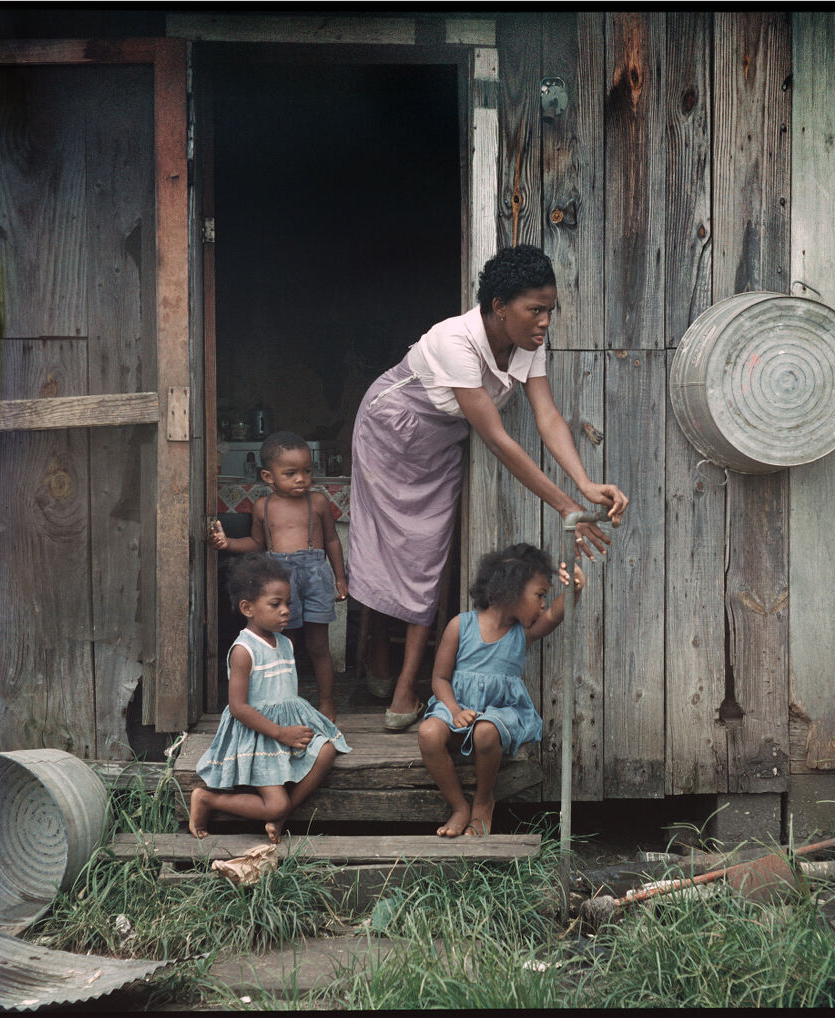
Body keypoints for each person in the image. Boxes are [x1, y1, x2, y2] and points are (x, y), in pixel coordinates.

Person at [348, 244, 628, 731]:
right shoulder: (454, 340)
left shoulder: (528, 344)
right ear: (499, 306)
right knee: (399, 551)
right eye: (534, 310)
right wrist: (568, 508)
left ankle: (399, 679)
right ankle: (395, 679)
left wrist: (585, 485)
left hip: (438, 439)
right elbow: (497, 439)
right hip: (391, 429)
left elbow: (547, 416)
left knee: (428, 553)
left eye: (549, 311)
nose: (544, 322)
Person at [418, 543, 583, 837]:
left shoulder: (524, 633)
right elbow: (440, 679)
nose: (543, 603)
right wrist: (454, 711)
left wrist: (576, 589)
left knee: (485, 730)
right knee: (428, 733)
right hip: (457, 708)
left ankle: (483, 803)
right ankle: (459, 806)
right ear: (510, 589)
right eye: (540, 595)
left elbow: (555, 615)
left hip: (499, 714)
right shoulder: (460, 626)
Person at [190, 554, 351, 843]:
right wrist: (281, 734)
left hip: (285, 728)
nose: (286, 611)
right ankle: (207, 800)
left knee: (326, 750)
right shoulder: (243, 650)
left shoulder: (285, 643)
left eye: (288, 603)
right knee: (276, 802)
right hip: (259, 734)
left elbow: (285, 696)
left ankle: (281, 815)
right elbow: (239, 708)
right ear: (247, 608)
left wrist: (292, 729)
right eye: (276, 604)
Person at [209, 431, 347, 721]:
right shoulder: (263, 507)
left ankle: (326, 702)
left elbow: (333, 540)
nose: (301, 479)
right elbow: (257, 545)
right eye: (291, 473)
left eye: (307, 471)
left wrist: (341, 577)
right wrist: (229, 544)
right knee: (286, 644)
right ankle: (288, 702)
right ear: (268, 477)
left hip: (315, 575)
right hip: (280, 579)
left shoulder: (319, 502)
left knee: (319, 644)